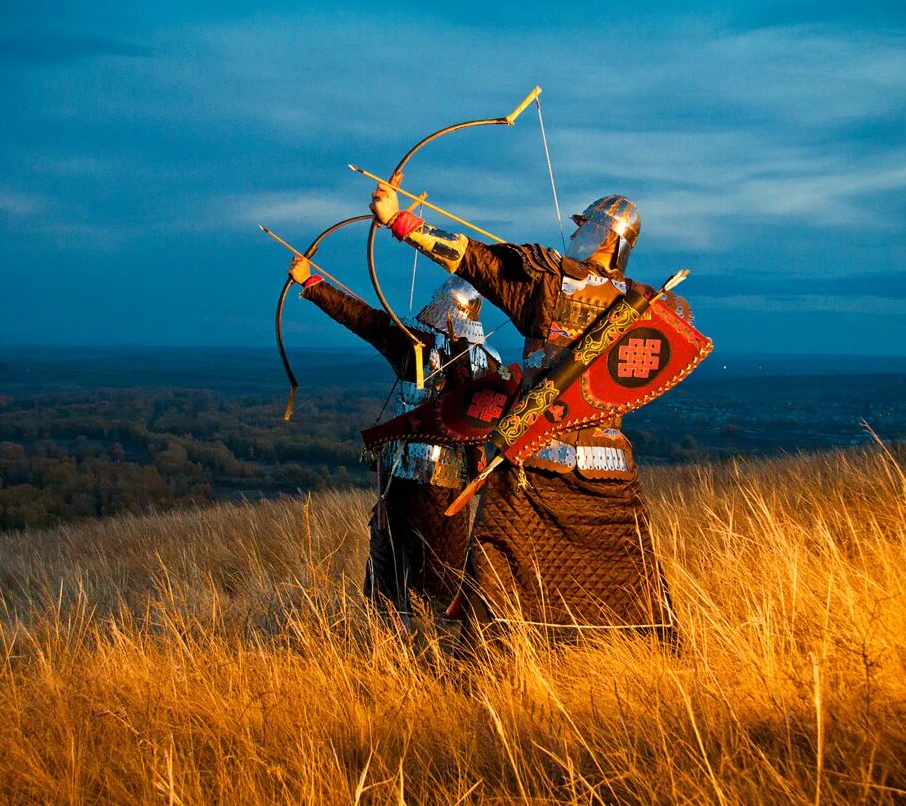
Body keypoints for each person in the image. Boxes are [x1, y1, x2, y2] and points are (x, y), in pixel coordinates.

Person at [368, 188, 679, 646]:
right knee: (620, 564)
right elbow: (671, 334)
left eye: (586, 225)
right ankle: (633, 646)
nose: (576, 231)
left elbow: (474, 260)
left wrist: (401, 221)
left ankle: (495, 655)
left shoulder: (553, 282)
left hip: (537, 455)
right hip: (611, 464)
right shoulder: (644, 303)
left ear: (609, 239)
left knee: (502, 556)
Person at [286, 256, 500, 617]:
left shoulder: (417, 347)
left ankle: (400, 627)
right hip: (453, 483)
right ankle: (425, 628)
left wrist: (312, 283)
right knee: (439, 564)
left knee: (401, 564)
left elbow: (366, 320)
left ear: (444, 309)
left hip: (408, 474)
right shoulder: (490, 360)